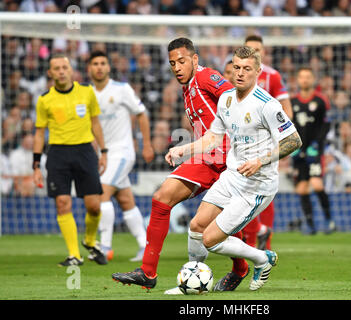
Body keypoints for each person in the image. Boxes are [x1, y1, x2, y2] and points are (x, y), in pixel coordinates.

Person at [112, 37, 249, 292]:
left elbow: (236, 98)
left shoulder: (207, 77)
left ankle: (241, 267)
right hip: (208, 159)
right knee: (161, 198)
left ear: (195, 60)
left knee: (220, 222)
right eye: (172, 63)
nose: (176, 67)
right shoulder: (187, 88)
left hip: (231, 160)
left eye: (182, 61)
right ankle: (148, 272)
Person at [165, 46, 301, 292]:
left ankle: (262, 259)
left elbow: (293, 140)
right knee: (196, 226)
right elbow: (213, 139)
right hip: (232, 178)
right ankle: (189, 282)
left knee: (210, 240)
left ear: (257, 71)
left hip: (256, 186)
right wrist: (183, 150)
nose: (240, 73)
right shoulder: (226, 99)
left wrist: (261, 160)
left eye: (246, 69)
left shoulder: (267, 105)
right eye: (236, 67)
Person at [32, 53, 108, 266]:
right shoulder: (44, 99)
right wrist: (36, 165)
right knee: (62, 203)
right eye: (56, 68)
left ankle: (90, 241)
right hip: (58, 154)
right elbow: (39, 133)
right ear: (50, 73)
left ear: (71, 70)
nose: (61, 71)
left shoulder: (86, 92)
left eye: (64, 67)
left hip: (85, 151)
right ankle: (75, 255)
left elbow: (96, 123)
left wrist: (104, 152)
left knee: (94, 206)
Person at [87, 50, 155, 262]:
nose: (99, 67)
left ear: (108, 67)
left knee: (101, 196)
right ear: (89, 68)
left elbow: (141, 114)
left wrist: (147, 145)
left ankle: (105, 247)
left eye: (103, 63)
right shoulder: (86, 93)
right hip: (103, 155)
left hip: (123, 152)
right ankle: (146, 247)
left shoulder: (122, 89)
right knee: (125, 200)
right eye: (95, 63)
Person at [242, 34, 293, 250]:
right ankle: (252, 237)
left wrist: (282, 137)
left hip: (265, 144)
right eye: (250, 49)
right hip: (241, 141)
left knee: (266, 187)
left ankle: (266, 242)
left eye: (257, 50)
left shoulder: (272, 76)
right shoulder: (236, 74)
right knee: (241, 189)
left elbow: (286, 107)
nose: (254, 53)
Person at [289, 67, 336, 235]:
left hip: (314, 152)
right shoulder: (292, 102)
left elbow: (326, 125)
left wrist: (317, 145)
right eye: (301, 77)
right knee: (301, 188)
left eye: (308, 77)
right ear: (298, 80)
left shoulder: (321, 100)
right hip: (298, 152)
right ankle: (311, 225)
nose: (305, 80)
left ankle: (329, 220)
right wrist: (291, 147)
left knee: (316, 184)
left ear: (313, 79)